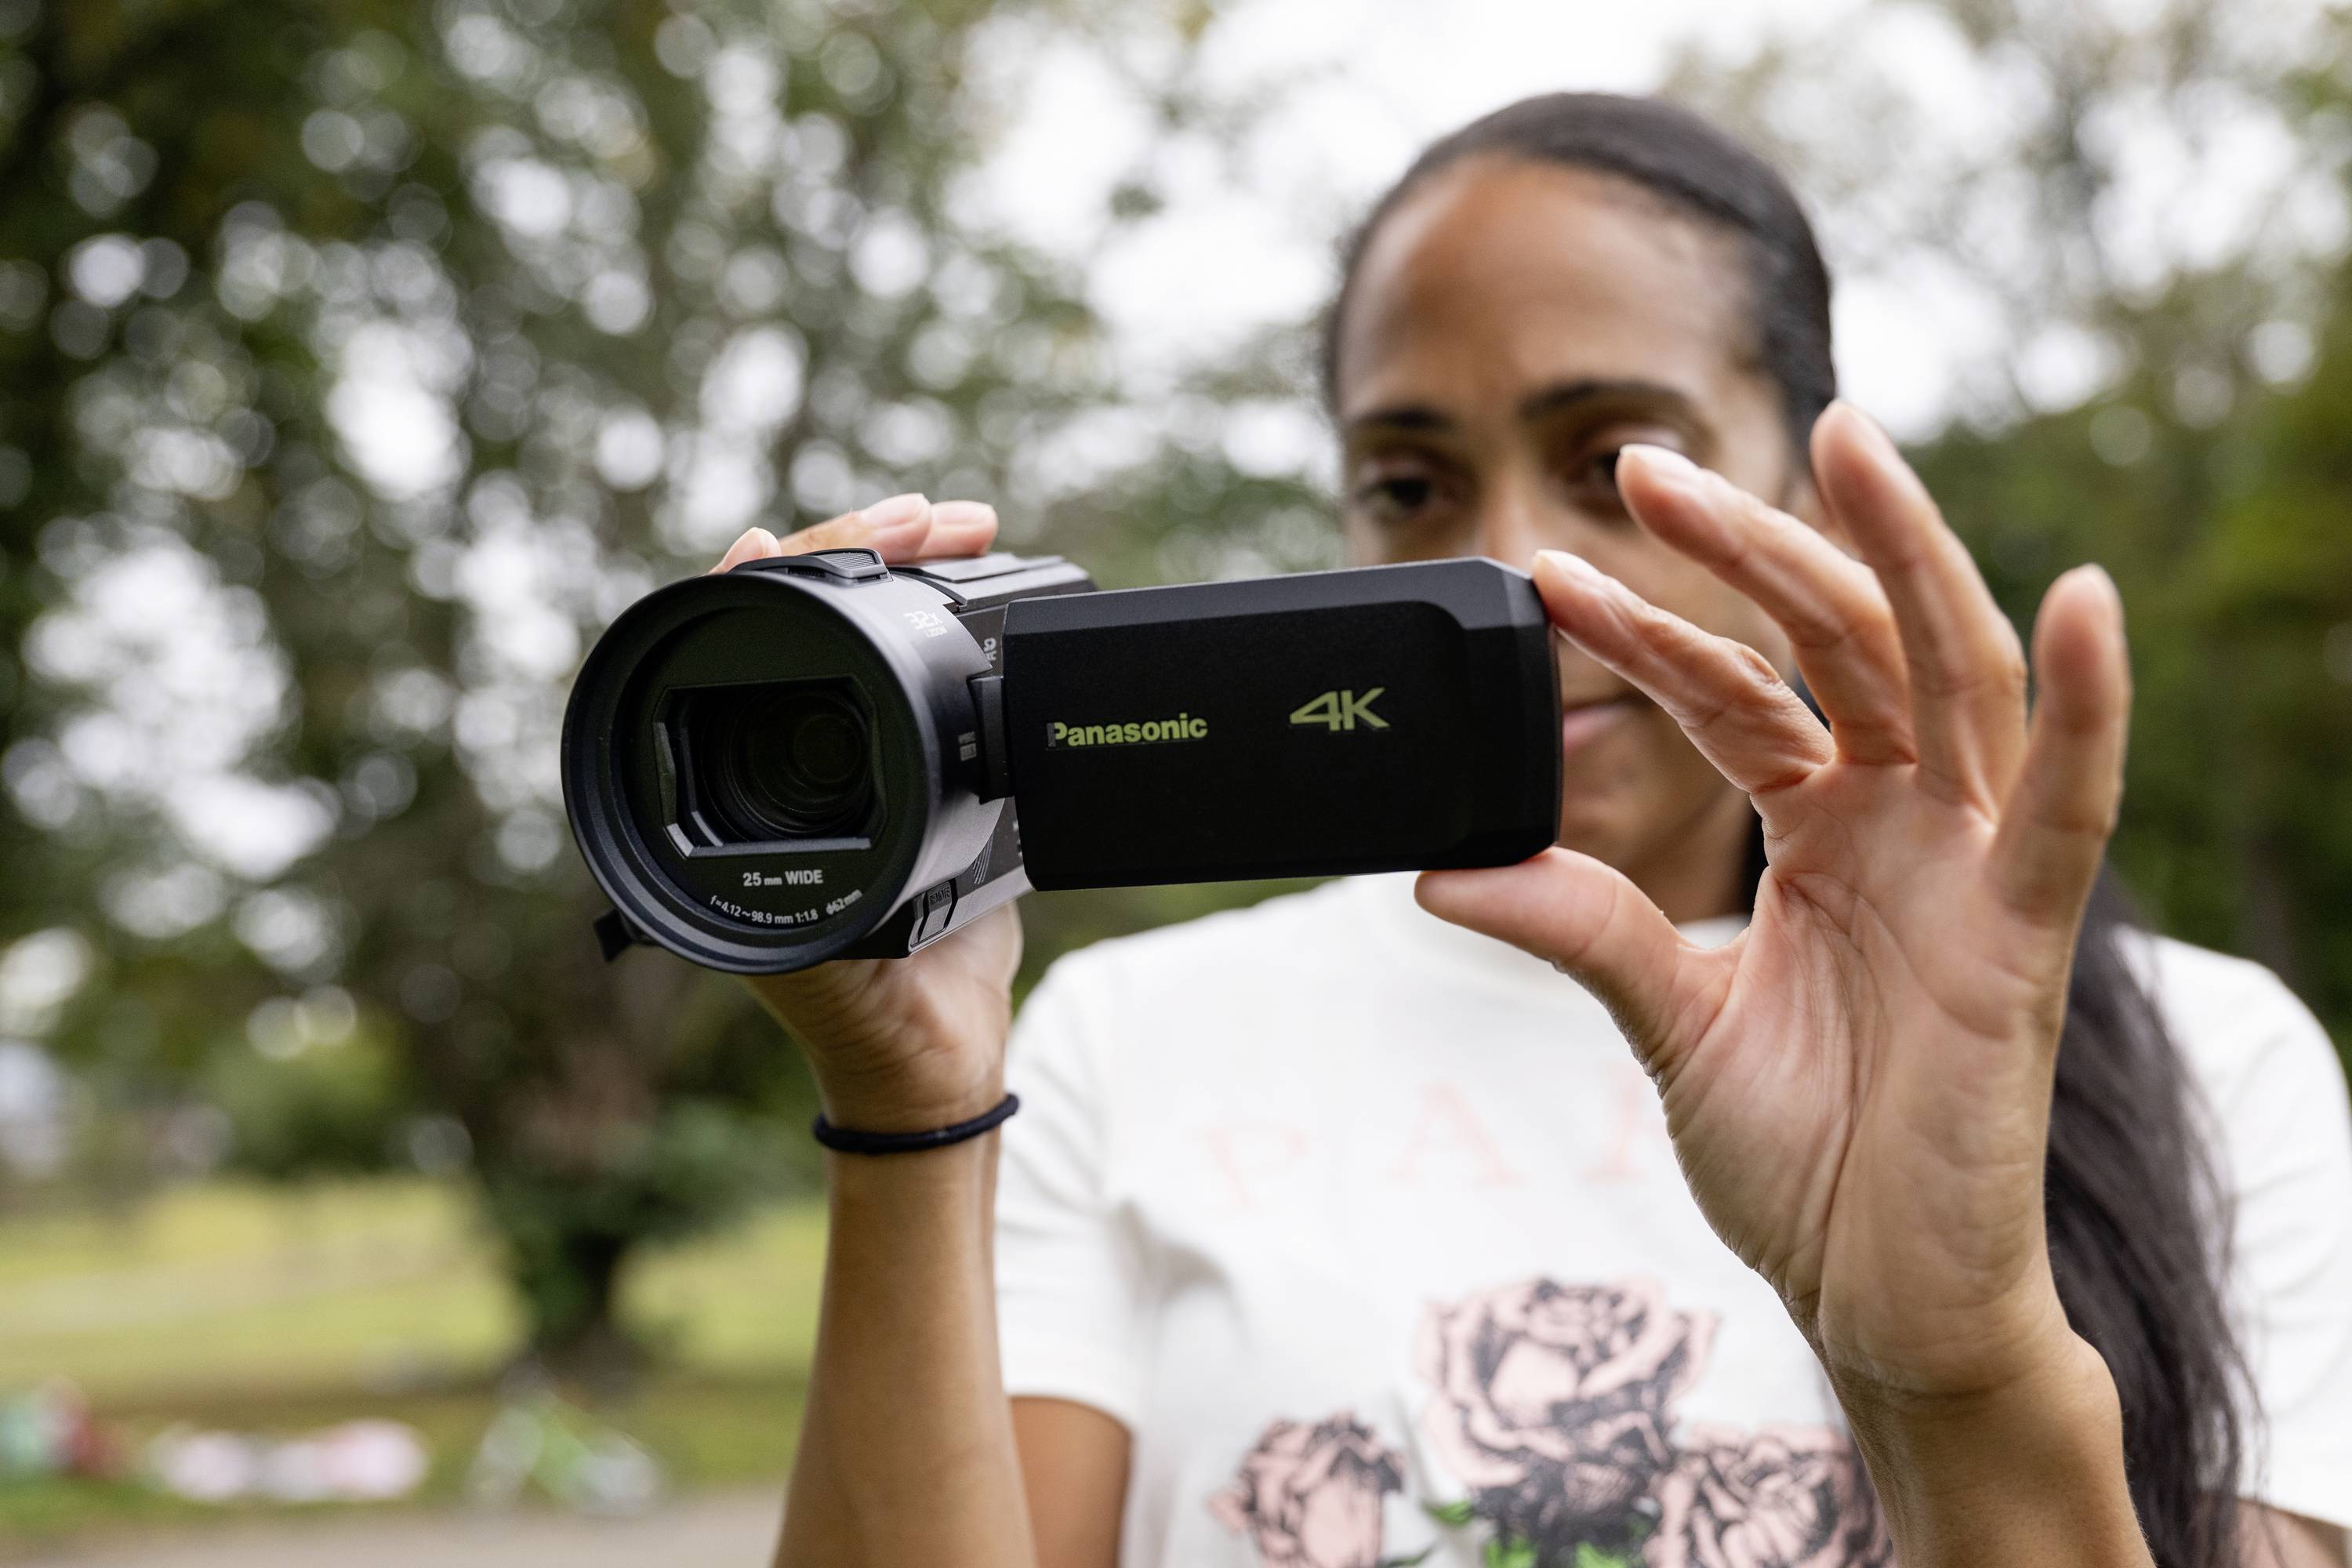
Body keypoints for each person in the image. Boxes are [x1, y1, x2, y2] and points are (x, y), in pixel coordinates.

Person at [717, 94, 2352, 1568]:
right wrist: (910, 1104)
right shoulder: (1112, 1044)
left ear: (1809, 490)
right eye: (1413, 487)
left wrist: (1963, 1367)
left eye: (1615, 462)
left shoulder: (2213, 1064)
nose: (1510, 570)